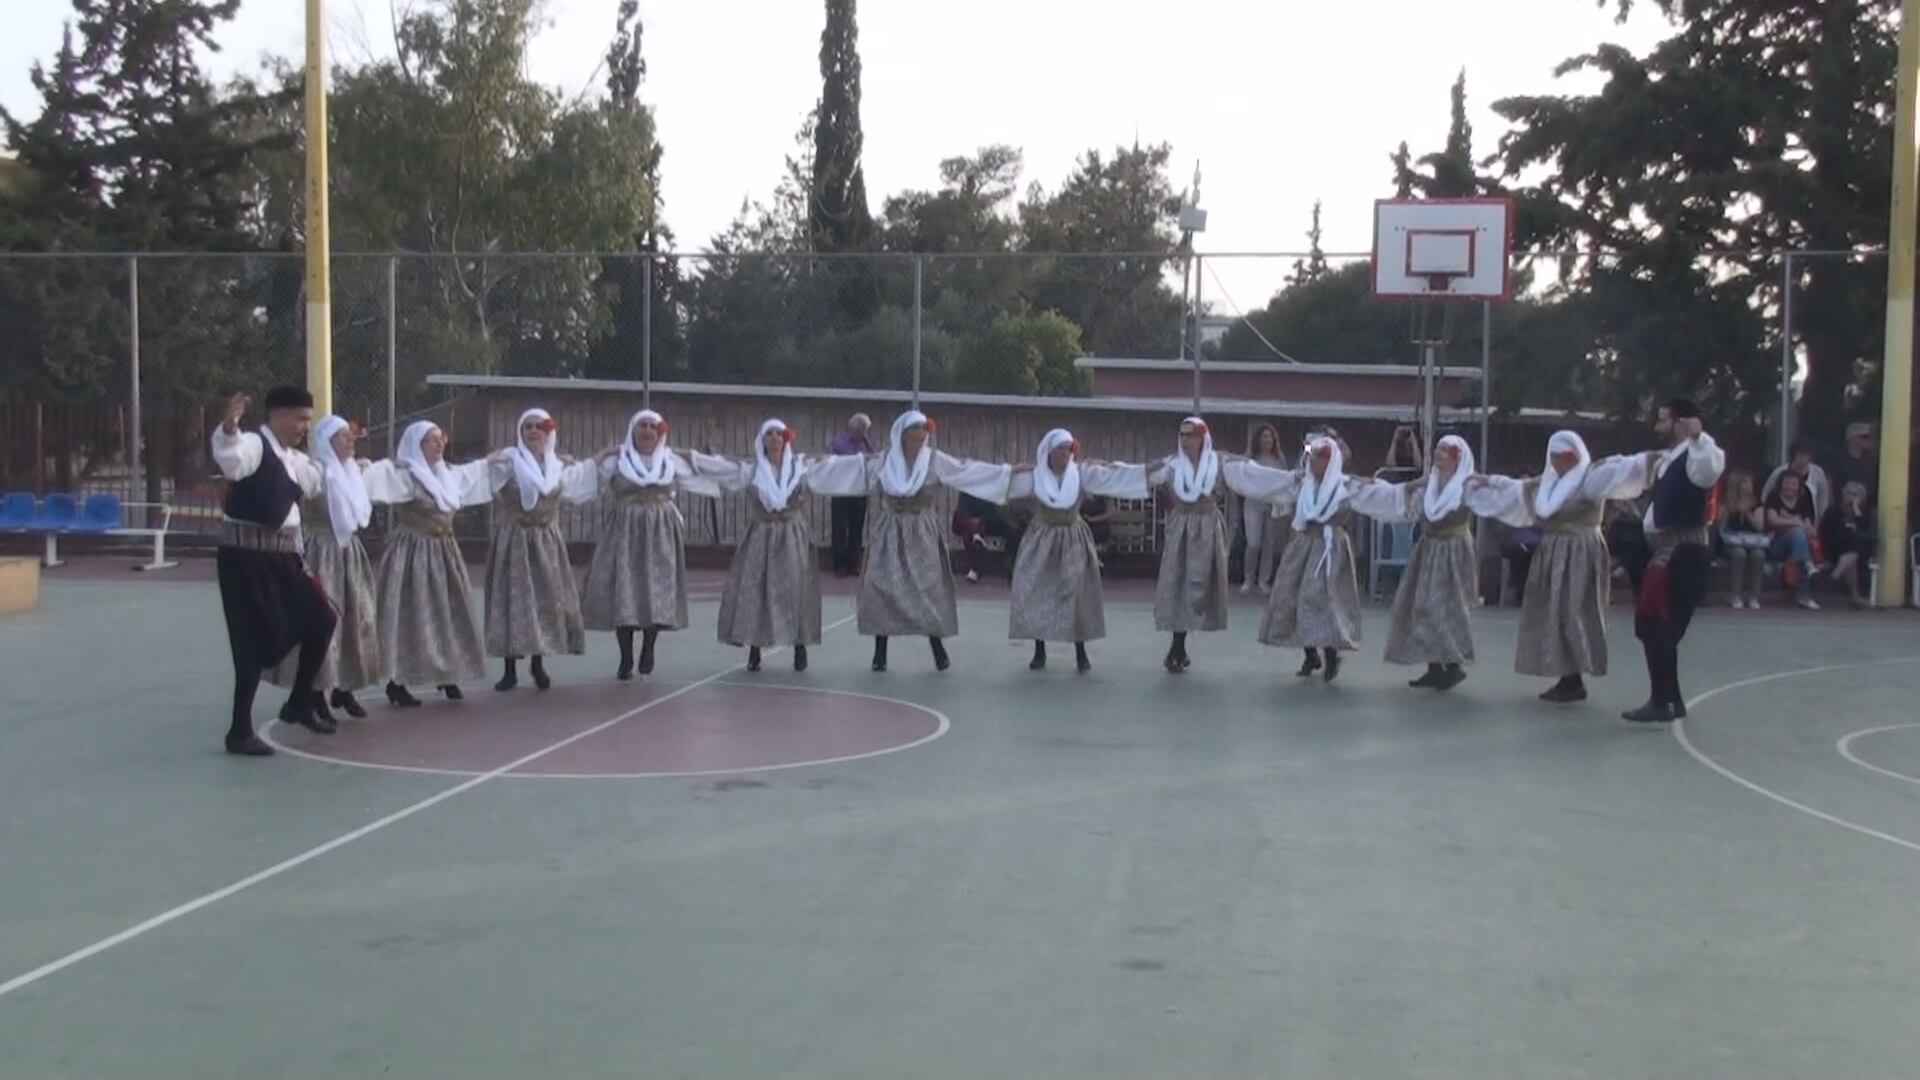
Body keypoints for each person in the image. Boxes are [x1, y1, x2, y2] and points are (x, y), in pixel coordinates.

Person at [1472, 430, 1657, 703]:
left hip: (1581, 551)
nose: (1557, 462)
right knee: (1554, 613)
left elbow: (1625, 468)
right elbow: (1517, 489)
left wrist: (1660, 459)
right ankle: (1568, 677)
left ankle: (1575, 676)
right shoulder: (1548, 483)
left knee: (1575, 612)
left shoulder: (1591, 477)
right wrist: (1488, 481)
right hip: (1554, 553)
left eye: (1563, 457)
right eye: (1555, 457)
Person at [208, 387, 339, 756]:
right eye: (300, 419)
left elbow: (316, 483)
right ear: (278, 415)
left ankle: (298, 703)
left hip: (283, 559)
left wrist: (347, 460)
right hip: (246, 558)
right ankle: (239, 730)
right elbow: (232, 459)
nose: (305, 427)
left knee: (323, 618)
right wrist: (229, 428)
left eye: (308, 421)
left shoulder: (293, 459)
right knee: (249, 641)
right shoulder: (253, 445)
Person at [692, 419, 869, 672]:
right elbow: (718, 468)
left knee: (796, 589)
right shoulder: (750, 470)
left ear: (786, 439)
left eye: (779, 434)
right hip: (761, 535)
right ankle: (755, 648)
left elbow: (839, 468)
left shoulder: (801, 467)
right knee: (756, 589)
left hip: (792, 535)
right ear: (762, 440)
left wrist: (866, 461)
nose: (775, 438)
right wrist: (689, 458)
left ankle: (799, 646)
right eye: (770, 434)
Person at [851, 410, 1011, 672]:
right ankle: (880, 652)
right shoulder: (883, 461)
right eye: (917, 428)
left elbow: (967, 470)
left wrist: (1007, 473)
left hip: (921, 533)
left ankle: (937, 647)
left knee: (927, 589)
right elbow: (851, 469)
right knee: (882, 588)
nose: (923, 433)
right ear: (904, 434)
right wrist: (812, 465)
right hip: (889, 532)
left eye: (925, 429)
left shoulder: (935, 461)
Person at [361, 421, 494, 705]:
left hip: (444, 552)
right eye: (432, 440)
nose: (439, 443)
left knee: (448, 611)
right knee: (410, 615)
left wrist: (498, 459)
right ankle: (397, 682)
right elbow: (372, 477)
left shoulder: (447, 474)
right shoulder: (406, 474)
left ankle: (447, 674)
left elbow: (475, 472)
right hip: (412, 554)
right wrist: (364, 465)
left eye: (441, 438)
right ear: (416, 445)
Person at [580, 409, 717, 680]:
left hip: (660, 535)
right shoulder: (617, 461)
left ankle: (649, 648)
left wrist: (693, 456)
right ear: (633, 431)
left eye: (653, 427)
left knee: (655, 591)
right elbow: (585, 478)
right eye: (642, 426)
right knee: (624, 592)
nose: (647, 431)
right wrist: (601, 454)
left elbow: (706, 474)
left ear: (660, 433)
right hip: (624, 533)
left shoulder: (670, 461)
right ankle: (626, 656)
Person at [1348, 434, 1491, 691]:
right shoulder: (1428, 485)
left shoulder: (1468, 486)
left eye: (1445, 451)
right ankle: (1435, 667)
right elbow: (1395, 495)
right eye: (1438, 449)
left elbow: (1502, 497)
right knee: (1423, 606)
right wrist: (1369, 485)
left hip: (1454, 551)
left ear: (1457, 458)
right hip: (1429, 550)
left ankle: (1452, 665)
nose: (1438, 454)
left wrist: (1496, 482)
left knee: (1446, 608)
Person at [267, 415, 384, 724]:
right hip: (322, 552)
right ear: (327, 442)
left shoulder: (353, 471)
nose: (350, 440)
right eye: (343, 436)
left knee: (356, 618)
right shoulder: (317, 471)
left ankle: (345, 687)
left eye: (350, 435)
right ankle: (316, 693)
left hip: (349, 552)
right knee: (324, 622)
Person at [1004, 429, 1149, 672]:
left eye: (1069, 449)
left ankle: (1080, 652)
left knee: (1076, 594)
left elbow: (1112, 477)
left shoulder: (1081, 474)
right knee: (1038, 591)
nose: (1066, 453)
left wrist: (1148, 472)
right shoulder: (1035, 476)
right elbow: (1004, 484)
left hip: (1072, 538)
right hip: (1041, 539)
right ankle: (1039, 650)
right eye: (1061, 449)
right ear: (1049, 452)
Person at [1225, 435, 1366, 683]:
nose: (1313, 461)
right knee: (1290, 597)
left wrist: (1402, 492)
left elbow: (1379, 496)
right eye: (1312, 456)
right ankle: (1310, 654)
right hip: (1302, 545)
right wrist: (1234, 464)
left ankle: (1331, 655)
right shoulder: (1300, 483)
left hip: (1329, 549)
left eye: (1319, 457)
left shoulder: (1346, 487)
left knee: (1321, 600)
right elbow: (1264, 479)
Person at [480, 408, 598, 692]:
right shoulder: (507, 463)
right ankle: (509, 669)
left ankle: (538, 663)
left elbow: (590, 477)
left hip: (546, 543)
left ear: (548, 434)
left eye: (539, 427)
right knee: (512, 601)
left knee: (545, 601)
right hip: (514, 542)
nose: (533, 431)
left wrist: (603, 456)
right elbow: (474, 478)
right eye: (528, 427)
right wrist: (487, 461)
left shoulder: (557, 466)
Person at [1623, 398, 1726, 724]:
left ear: (1682, 423)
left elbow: (1711, 468)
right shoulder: (1672, 458)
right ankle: (1670, 700)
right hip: (1666, 551)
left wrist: (1699, 437)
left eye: (1664, 420)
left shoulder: (1698, 455)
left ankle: (1662, 701)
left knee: (1658, 628)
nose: (1658, 427)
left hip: (1682, 552)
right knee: (1654, 628)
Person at [1146, 417, 1230, 673]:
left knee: (1198, 586)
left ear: (1202, 438)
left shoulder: (1220, 464)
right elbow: (1139, 476)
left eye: (1190, 435)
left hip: (1207, 530)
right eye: (1182, 435)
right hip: (1180, 530)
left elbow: (1255, 477)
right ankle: (1177, 646)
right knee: (1177, 583)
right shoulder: (1171, 465)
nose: (1184, 440)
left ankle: (1179, 648)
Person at [1239, 423, 1288, 594]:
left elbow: (1284, 480)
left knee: (1269, 543)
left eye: (1271, 437)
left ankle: (1263, 580)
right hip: (1253, 504)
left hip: (1272, 506)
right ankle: (1248, 579)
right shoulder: (1251, 457)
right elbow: (1241, 472)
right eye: (1265, 436)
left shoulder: (1279, 459)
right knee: (1253, 543)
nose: (1268, 440)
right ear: (1259, 439)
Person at [1764, 470, 1821, 610]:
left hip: (1798, 546)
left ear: (1799, 486)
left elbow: (1809, 527)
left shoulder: (1803, 501)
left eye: (1794, 484)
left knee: (1801, 540)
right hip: (1776, 545)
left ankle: (1804, 593)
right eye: (1787, 483)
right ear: (1781, 485)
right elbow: (1773, 520)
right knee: (1799, 537)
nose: (1790, 487)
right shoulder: (1774, 498)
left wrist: (1788, 520)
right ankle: (1805, 590)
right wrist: (1795, 521)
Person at [828, 413, 873, 576]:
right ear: (852, 428)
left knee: (856, 529)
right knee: (839, 530)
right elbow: (829, 461)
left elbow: (872, 460)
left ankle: (854, 564)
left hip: (858, 492)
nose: (863, 433)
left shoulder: (866, 443)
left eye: (865, 430)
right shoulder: (838, 442)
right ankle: (839, 565)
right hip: (840, 492)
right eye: (861, 429)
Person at [1719, 469, 1769, 610]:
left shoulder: (1757, 504)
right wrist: (1732, 509)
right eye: (1744, 482)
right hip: (1732, 543)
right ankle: (1735, 595)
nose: (1748, 486)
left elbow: (1760, 527)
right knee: (1739, 553)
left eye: (1750, 482)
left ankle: (1754, 597)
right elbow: (1721, 526)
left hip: (1753, 542)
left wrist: (1747, 512)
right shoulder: (1727, 503)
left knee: (1759, 555)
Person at [1823, 481, 1876, 608]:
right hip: (1835, 547)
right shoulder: (1834, 510)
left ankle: (1836, 575)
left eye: (1854, 494)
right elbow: (1826, 531)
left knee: (1853, 547)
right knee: (1852, 551)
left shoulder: (1865, 511)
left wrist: (1856, 509)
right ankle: (1854, 596)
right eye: (1848, 493)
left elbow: (1864, 529)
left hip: (1857, 549)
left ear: (1861, 497)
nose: (1850, 496)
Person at [1762, 441, 1830, 520]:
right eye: (1800, 455)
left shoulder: (1818, 473)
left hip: (1809, 522)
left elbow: (1822, 500)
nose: (1802, 459)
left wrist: (1821, 520)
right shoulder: (1779, 473)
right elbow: (1765, 496)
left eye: (1805, 455)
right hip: (1781, 520)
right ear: (1793, 455)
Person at [1833, 422, 1878, 507]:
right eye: (1864, 437)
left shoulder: (1873, 462)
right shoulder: (1839, 462)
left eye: (1870, 437)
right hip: (1844, 509)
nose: (1869, 440)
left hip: (1869, 510)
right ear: (1852, 438)